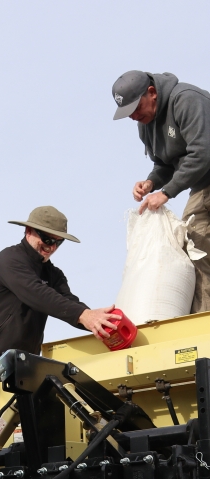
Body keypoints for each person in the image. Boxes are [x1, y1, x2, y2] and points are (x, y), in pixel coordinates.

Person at [0, 205, 120, 436]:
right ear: (29, 231)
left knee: (30, 432)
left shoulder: (54, 275)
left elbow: (69, 302)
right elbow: (37, 294)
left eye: (58, 242)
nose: (51, 247)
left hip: (21, 369)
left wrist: (100, 322)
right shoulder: (8, 260)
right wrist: (84, 315)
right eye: (47, 239)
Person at [112, 70, 210, 312]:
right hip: (201, 184)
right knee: (195, 246)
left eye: (135, 108)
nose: (133, 116)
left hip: (205, 177)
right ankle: (204, 319)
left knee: (195, 239)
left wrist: (166, 192)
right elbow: (165, 164)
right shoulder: (145, 123)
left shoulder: (186, 99)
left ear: (152, 93)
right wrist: (150, 183)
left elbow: (202, 152)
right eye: (128, 113)